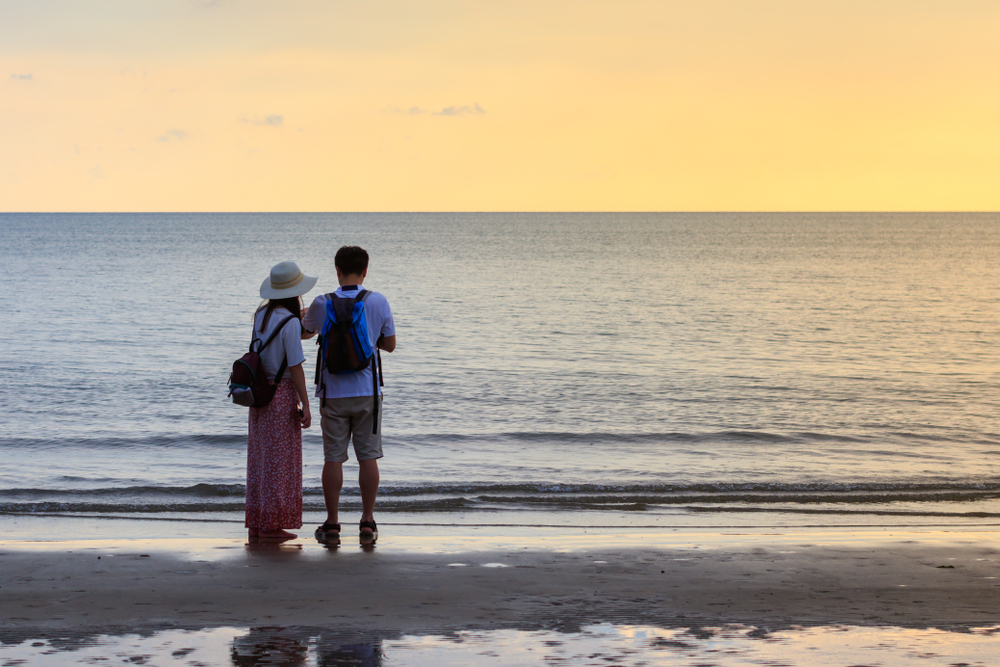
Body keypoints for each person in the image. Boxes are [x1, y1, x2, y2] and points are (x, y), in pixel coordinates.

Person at [302, 246, 396, 543]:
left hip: (332, 393)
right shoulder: (378, 301)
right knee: (368, 457)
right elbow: (390, 345)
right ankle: (367, 522)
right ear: (365, 271)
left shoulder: (321, 302)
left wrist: (308, 319)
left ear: (337, 271)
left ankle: (332, 524)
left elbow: (305, 333)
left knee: (333, 458)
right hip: (368, 392)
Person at [245, 261, 316, 540]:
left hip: (260, 393)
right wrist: (305, 404)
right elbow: (295, 366)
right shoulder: (290, 322)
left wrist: (302, 323)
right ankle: (272, 527)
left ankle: (257, 523)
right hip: (281, 393)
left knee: (261, 460)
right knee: (280, 462)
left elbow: (278, 342)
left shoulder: (261, 314)